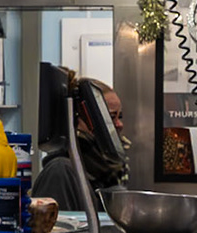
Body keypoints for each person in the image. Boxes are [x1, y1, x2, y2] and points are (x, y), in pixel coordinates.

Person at [31, 77, 126, 211]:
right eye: (111, 117)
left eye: (119, 117)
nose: (119, 124)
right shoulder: (61, 172)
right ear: (83, 117)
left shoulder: (105, 172)